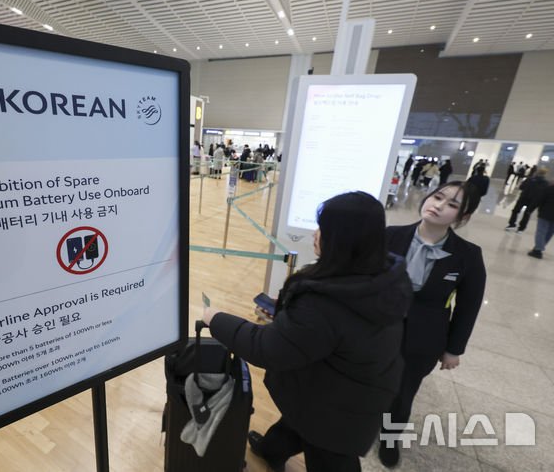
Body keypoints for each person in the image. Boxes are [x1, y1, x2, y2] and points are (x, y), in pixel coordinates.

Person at [202, 191, 413, 472]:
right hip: (346, 385)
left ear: (341, 240)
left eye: (323, 229)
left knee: (329, 457)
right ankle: (271, 451)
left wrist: (215, 319)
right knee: (294, 425)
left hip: (339, 411)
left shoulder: (324, 303)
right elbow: (331, 331)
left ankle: (273, 450)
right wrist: (291, 317)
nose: (315, 234)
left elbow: (266, 348)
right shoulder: (383, 274)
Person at [380, 181, 486, 468]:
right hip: (378, 329)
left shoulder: (468, 255)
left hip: (423, 339)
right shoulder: (390, 236)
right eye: (438, 197)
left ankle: (389, 438)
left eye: (452, 204)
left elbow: (468, 307)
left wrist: (454, 349)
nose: (438, 205)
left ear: (463, 217)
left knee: (403, 393)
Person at [527, 182, 554, 259]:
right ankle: (539, 247)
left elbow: (538, 200)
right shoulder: (548, 189)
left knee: (541, 231)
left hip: (545, 214)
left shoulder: (548, 189)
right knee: (549, 232)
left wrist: (530, 209)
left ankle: (537, 250)